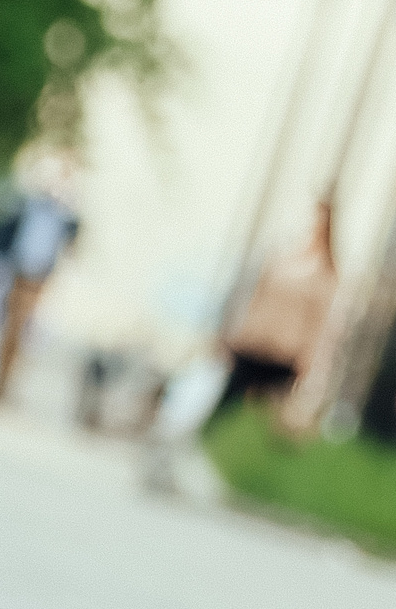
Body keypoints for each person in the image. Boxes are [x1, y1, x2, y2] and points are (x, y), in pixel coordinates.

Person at [141, 199, 339, 492]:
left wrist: (310, 363)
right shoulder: (281, 259)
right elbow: (253, 300)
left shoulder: (324, 273)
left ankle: (250, 477)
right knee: (215, 400)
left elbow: (320, 326)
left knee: (274, 418)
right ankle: (172, 450)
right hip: (251, 347)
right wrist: (230, 336)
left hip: (285, 357)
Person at [0, 159, 79, 405]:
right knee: (7, 325)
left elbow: (72, 249)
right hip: (18, 270)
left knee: (25, 330)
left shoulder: (68, 218)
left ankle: (8, 383)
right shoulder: (29, 205)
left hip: (40, 278)